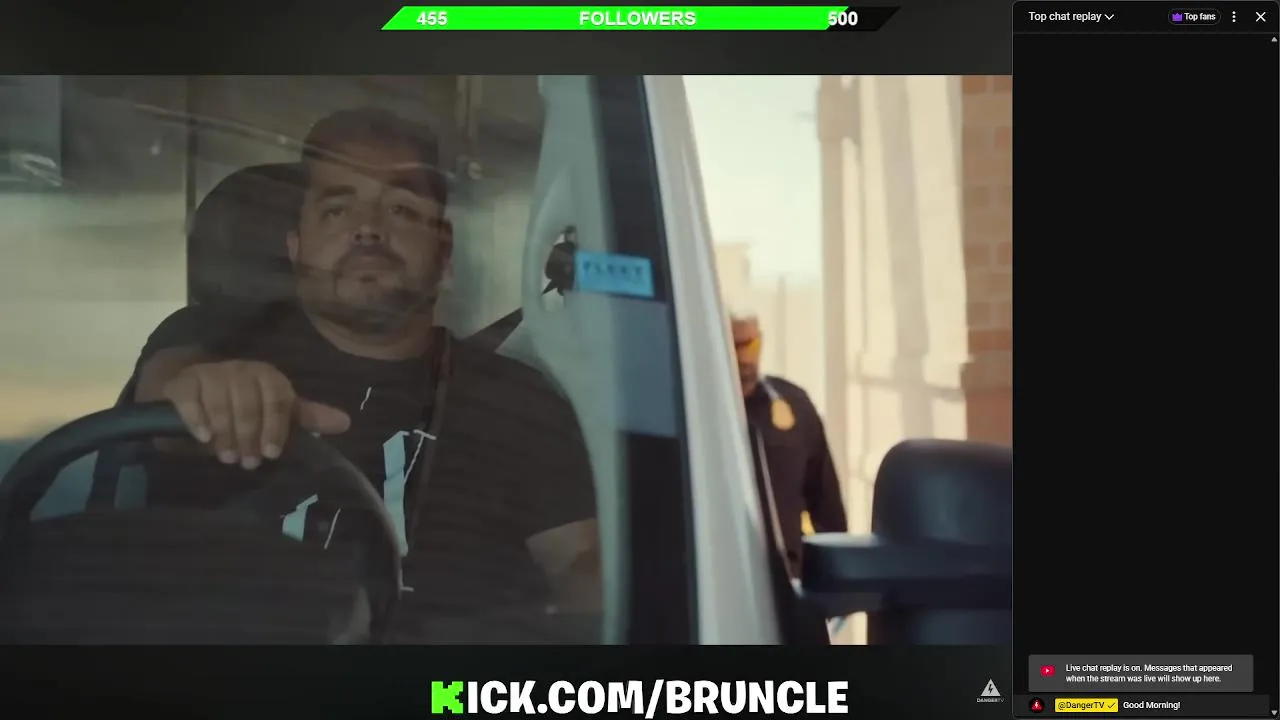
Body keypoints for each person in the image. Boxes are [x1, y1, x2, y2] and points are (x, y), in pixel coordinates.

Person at [129, 107, 600, 641]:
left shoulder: (519, 401)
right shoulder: (212, 343)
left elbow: (582, 562)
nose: (369, 229)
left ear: (444, 254)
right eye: (336, 210)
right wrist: (210, 399)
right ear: (296, 247)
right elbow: (167, 396)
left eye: (401, 209)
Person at [731, 311, 846, 577]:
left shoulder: (795, 405)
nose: (745, 359)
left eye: (752, 344)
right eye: (736, 345)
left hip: (785, 578)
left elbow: (827, 508)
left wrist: (838, 578)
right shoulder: (689, 411)